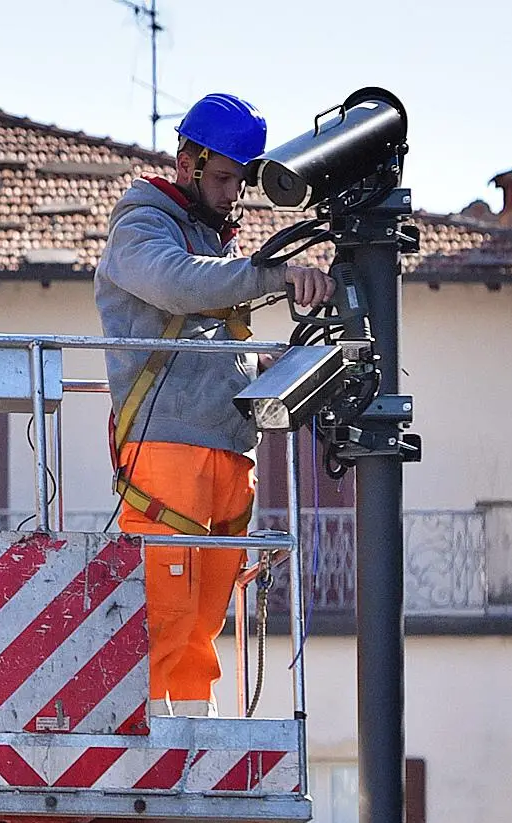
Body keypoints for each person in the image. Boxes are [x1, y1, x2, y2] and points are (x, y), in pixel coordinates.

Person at [94, 93, 334, 717]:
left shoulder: (214, 243)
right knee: (165, 603)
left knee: (205, 610)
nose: (234, 193)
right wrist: (275, 277)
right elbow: (179, 283)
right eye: (224, 177)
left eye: (240, 180)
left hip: (228, 447)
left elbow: (214, 326)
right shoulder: (141, 224)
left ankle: (194, 726)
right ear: (188, 163)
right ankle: (153, 734)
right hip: (166, 444)